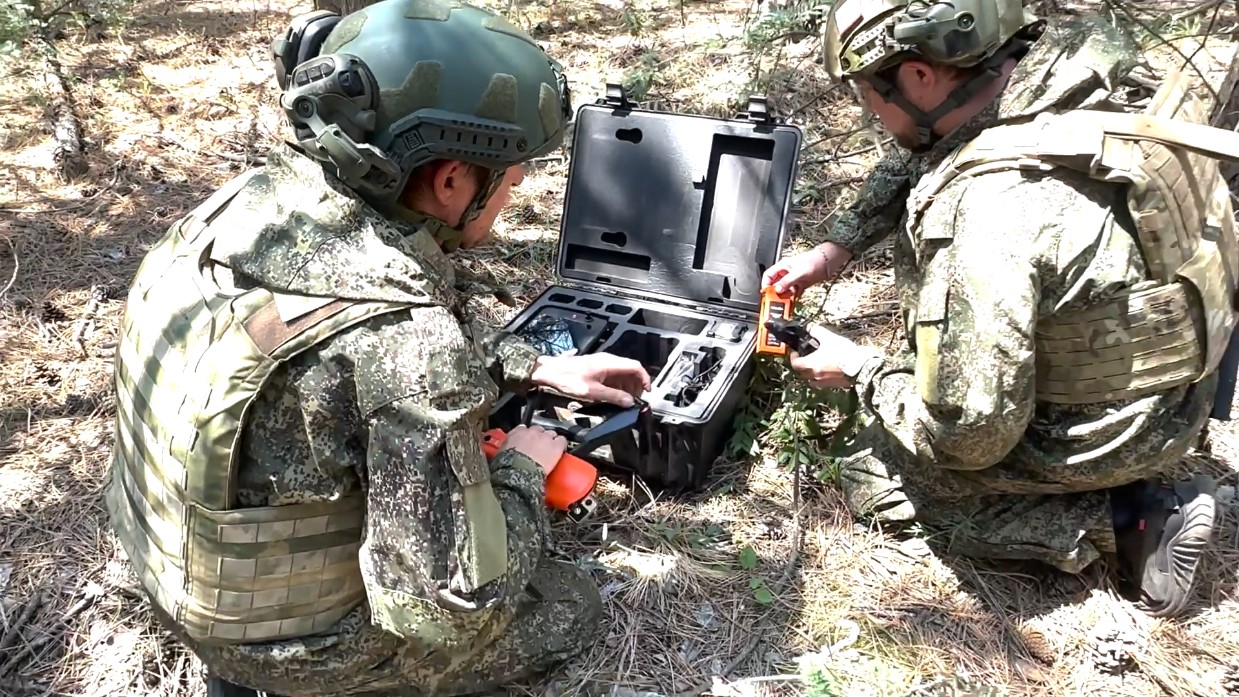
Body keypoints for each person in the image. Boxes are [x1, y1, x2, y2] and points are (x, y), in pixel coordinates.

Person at [104, 1, 652, 695]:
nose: (511, 194)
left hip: (175, 578)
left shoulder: (242, 210)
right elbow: (450, 610)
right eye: (509, 182)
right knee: (569, 604)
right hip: (290, 652)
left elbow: (341, 350)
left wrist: (531, 365)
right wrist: (518, 470)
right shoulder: (406, 340)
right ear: (452, 179)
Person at [762, 0, 1238, 618]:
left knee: (870, 470)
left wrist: (860, 371)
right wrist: (836, 247)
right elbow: (927, 147)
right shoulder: (1070, 63)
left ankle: (1134, 517)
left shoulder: (988, 217)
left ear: (918, 75)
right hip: (1188, 370)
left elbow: (969, 436)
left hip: (1123, 426)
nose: (868, 112)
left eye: (865, 91)